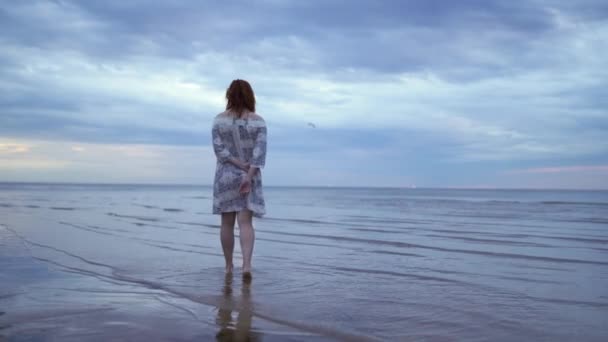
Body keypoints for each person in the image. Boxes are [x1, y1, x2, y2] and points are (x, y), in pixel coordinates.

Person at [212, 79, 267, 280]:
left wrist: (237, 164)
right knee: (245, 223)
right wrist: (248, 174)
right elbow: (259, 153)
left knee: (227, 223)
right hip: (248, 176)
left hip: (225, 175)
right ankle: (246, 265)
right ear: (250, 96)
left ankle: (228, 266)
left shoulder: (219, 120)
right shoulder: (258, 121)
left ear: (229, 95)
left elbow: (220, 151)